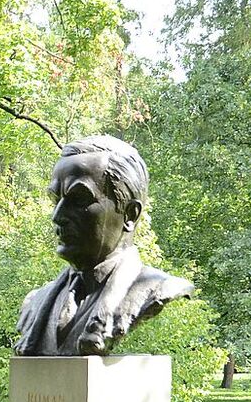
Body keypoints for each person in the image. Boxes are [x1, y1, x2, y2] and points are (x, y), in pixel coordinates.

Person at [15, 135, 194, 357]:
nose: (57, 216)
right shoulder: (36, 302)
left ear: (130, 214)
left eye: (79, 200)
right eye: (56, 200)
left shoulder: (156, 288)